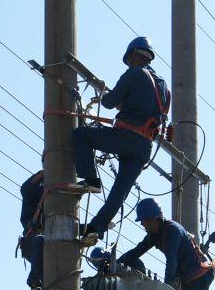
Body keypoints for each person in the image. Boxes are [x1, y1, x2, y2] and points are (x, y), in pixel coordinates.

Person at [72, 36, 169, 247]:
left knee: (81, 136)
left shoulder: (134, 73)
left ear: (133, 55)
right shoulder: (163, 87)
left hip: (127, 137)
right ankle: (94, 229)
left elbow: (108, 102)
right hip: (144, 148)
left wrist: (109, 96)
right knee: (119, 193)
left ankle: (91, 180)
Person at [18, 170, 45, 290]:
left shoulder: (62, 195)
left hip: (51, 243)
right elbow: (25, 188)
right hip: (32, 240)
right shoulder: (35, 191)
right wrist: (46, 171)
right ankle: (33, 282)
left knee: (51, 280)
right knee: (40, 241)